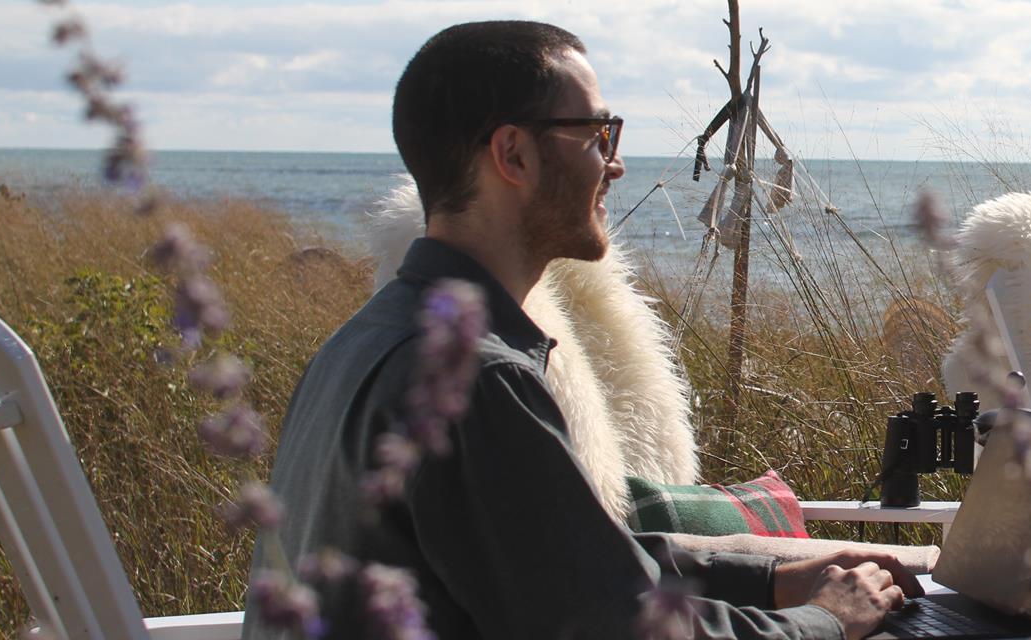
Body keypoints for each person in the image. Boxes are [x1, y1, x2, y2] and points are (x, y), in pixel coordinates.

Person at [242, 20, 917, 639]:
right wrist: (825, 621)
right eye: (599, 136)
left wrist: (772, 578)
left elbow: (566, 566)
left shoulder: (360, 344)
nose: (615, 164)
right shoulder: (478, 379)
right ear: (514, 154)